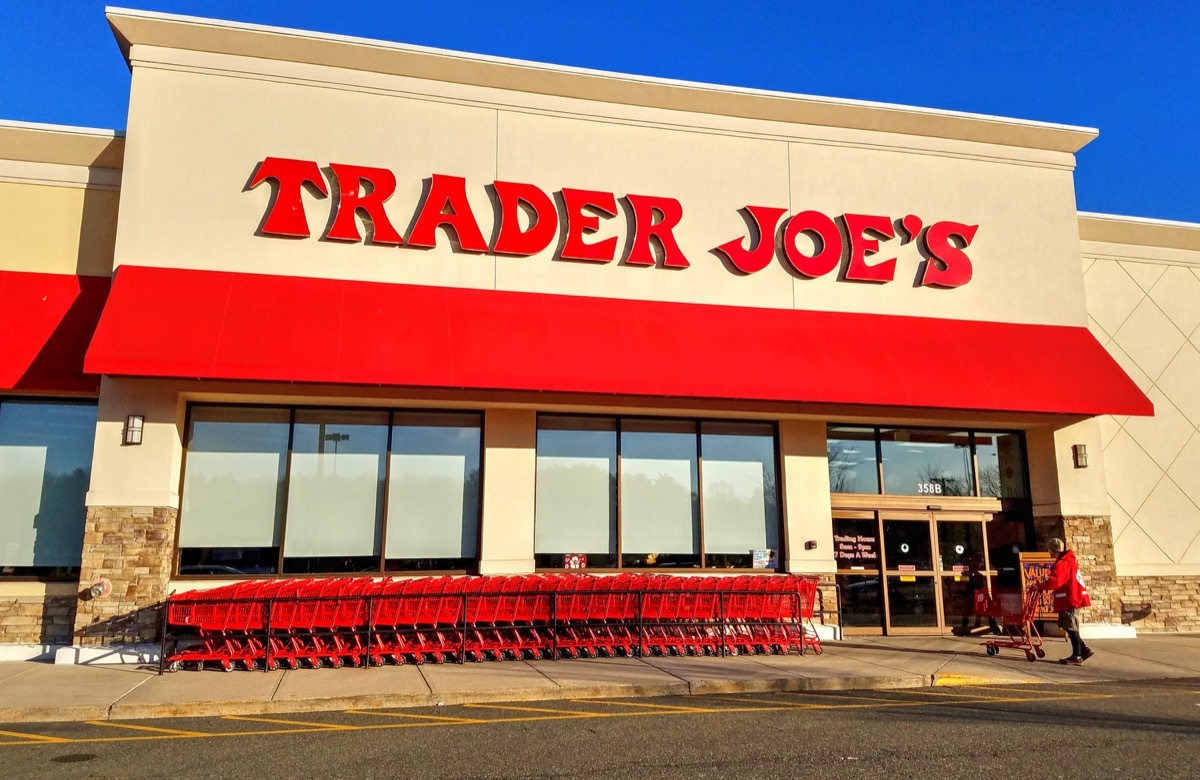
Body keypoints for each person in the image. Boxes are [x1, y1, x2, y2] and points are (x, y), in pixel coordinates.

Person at [1035, 538, 1094, 665]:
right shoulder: (1068, 560)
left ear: (1054, 550)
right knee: (1069, 626)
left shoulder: (1063, 563)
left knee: (1071, 626)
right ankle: (1083, 650)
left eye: (1050, 550)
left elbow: (1055, 581)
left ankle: (1078, 655)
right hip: (1071, 597)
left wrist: (1039, 586)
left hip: (1069, 598)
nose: (1049, 553)